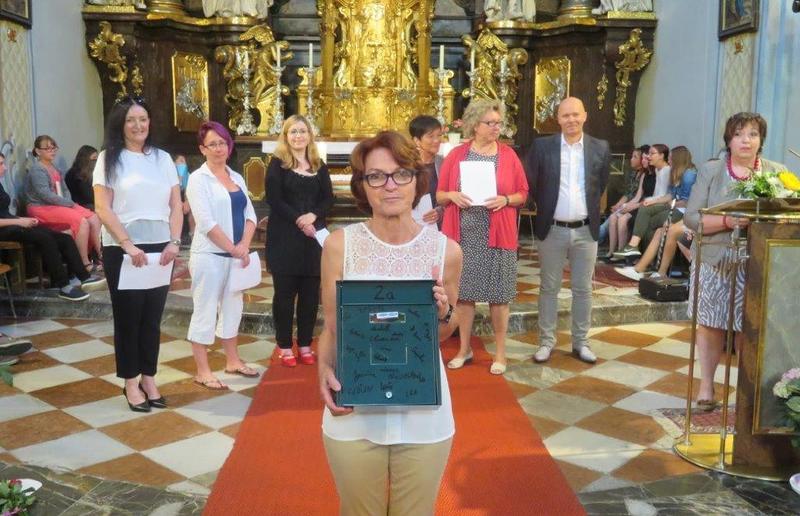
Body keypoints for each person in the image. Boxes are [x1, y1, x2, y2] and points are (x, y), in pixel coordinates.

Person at [318, 131, 462, 516]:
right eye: (376, 176)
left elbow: (444, 332)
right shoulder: (339, 246)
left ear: (417, 180)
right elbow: (332, 327)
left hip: (422, 412)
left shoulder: (446, 251)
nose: (390, 185)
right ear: (362, 186)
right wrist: (323, 368)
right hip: (355, 410)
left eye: (401, 174)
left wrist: (443, 312)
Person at [684, 112, 786, 411]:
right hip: (715, 259)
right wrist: (727, 221)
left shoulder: (776, 172)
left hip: (757, 261)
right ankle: (706, 386)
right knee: (710, 324)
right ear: (728, 140)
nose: (746, 140)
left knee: (749, 326)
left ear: (761, 140)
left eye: (753, 134)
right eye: (739, 134)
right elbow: (691, 218)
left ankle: (746, 390)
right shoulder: (712, 170)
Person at [93, 96, 183, 413]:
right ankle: (131, 382)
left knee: (152, 318)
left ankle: (149, 378)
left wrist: (175, 242)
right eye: (131, 120)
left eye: (143, 119)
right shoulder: (108, 159)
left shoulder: (162, 158)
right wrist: (127, 244)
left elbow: (176, 205)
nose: (138, 125)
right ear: (120, 124)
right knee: (129, 319)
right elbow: (102, 207)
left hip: (161, 249)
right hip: (123, 249)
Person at [436, 99, 528, 375]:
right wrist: (452, 195)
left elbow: (523, 193)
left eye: (499, 123)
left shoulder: (508, 156)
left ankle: (500, 353)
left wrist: (506, 199)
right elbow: (440, 195)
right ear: (475, 125)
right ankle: (464, 349)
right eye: (491, 123)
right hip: (463, 236)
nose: (496, 128)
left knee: (499, 297)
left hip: (498, 235)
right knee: (464, 297)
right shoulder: (456, 155)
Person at [525, 97, 610, 364]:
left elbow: (601, 183)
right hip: (552, 229)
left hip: (585, 230)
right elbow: (533, 182)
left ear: (585, 116)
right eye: (565, 115)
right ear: (558, 119)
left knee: (583, 289)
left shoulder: (600, 147)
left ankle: (581, 342)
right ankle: (546, 341)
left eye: (575, 114)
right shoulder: (542, 147)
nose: (571, 120)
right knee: (549, 287)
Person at [186, 121, 259, 389]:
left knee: (233, 309)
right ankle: (202, 371)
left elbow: (250, 215)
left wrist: (244, 245)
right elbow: (206, 223)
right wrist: (233, 247)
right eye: (213, 144)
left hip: (235, 257)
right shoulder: (198, 179)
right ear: (202, 149)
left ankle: (232, 361)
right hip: (210, 257)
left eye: (223, 143)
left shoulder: (236, 176)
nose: (219, 148)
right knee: (204, 310)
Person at [266, 115, 334, 367]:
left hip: (313, 239)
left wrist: (313, 215)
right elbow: (274, 199)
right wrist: (299, 220)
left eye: (302, 131)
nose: (298, 136)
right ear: (286, 136)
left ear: (309, 135)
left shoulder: (318, 164)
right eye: (293, 132)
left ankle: (305, 344)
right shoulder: (277, 164)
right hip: (285, 238)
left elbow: (328, 199)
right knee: (284, 296)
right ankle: (285, 346)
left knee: (309, 296)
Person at [0, 152, 103, 301]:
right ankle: (63, 286)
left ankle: (84, 277)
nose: (4, 167)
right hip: (5, 230)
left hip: (13, 224)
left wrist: (22, 219)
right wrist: (19, 222)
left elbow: (4, 214)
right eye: (1, 164)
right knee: (45, 238)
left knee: (64, 238)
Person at [25, 135, 103, 271]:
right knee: (82, 221)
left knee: (94, 218)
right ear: (38, 151)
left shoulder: (54, 167)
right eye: (47, 148)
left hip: (59, 204)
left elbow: (65, 190)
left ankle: (101, 256)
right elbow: (45, 195)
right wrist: (69, 204)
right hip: (41, 207)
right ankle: (84, 263)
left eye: (53, 147)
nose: (52, 151)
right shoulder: (37, 169)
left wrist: (69, 202)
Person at [615, 144, 696, 259]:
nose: (668, 160)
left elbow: (687, 202)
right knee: (647, 214)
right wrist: (653, 202)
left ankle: (639, 252)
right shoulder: (674, 172)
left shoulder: (688, 175)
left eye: (670, 158)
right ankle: (638, 252)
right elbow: (670, 195)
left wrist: (669, 203)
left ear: (677, 159)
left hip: (682, 211)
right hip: (672, 206)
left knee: (649, 219)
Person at [603, 145, 649, 256]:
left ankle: (620, 251)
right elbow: (627, 194)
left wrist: (624, 206)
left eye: (635, 157)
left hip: (638, 207)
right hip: (631, 205)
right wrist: (619, 205)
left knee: (620, 219)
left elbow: (639, 198)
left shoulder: (645, 175)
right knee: (613, 217)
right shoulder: (634, 174)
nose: (631, 159)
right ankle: (611, 251)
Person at [408, 115, 443, 226]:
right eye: (430, 136)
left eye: (439, 135)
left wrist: (440, 211)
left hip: (438, 225)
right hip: (412, 222)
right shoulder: (406, 164)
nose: (437, 140)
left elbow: (452, 193)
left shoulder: (444, 163)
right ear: (417, 140)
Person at [65, 145, 99, 210]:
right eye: (94, 158)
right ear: (85, 158)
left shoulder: (87, 172)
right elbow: (88, 196)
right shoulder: (76, 173)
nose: (96, 161)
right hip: (82, 205)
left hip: (88, 203)